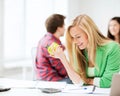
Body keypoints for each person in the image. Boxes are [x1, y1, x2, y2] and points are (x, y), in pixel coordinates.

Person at [52, 14, 120, 88]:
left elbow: (107, 82)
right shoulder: (78, 49)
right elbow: (77, 82)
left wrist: (85, 80)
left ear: (90, 33)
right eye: (72, 38)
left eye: (78, 37)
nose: (75, 41)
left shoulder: (113, 48)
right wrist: (63, 58)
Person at [36, 14, 71, 83]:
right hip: (52, 80)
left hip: (43, 77)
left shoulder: (46, 39)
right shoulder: (52, 45)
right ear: (58, 28)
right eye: (64, 25)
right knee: (80, 81)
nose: (65, 28)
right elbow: (62, 70)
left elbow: (61, 46)